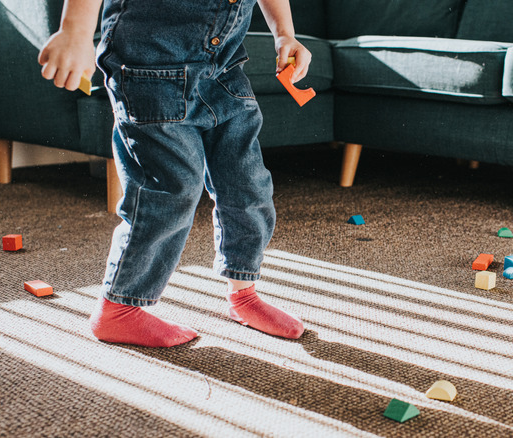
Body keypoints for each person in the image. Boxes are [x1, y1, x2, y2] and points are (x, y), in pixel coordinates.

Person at [38, 0, 310, 347]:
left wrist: (284, 34)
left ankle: (243, 293)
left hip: (223, 70)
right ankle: (118, 308)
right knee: (170, 191)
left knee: (248, 184)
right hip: (149, 73)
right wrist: (75, 31)